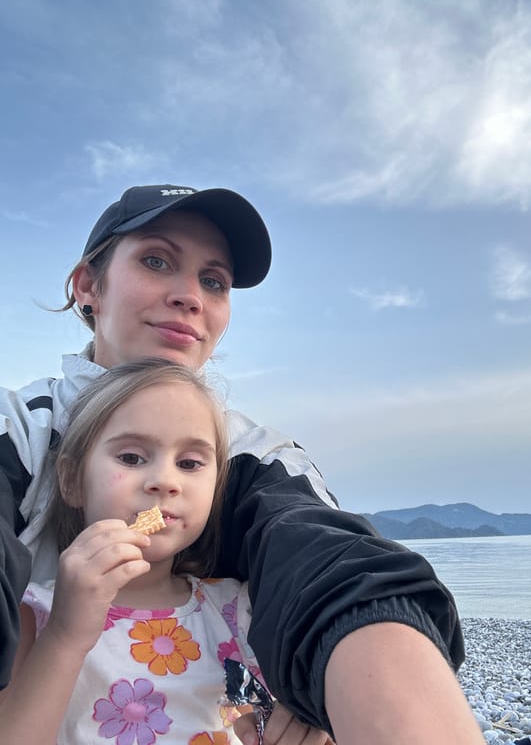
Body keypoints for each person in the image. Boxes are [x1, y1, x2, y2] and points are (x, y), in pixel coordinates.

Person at [0, 183, 484, 744]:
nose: (190, 297)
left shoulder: (260, 457)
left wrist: (324, 683)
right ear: (88, 285)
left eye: (214, 281)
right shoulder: (20, 426)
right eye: (157, 261)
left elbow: (332, 569)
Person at [0, 357, 279, 743]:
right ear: (72, 480)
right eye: (131, 458)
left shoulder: (237, 609)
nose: (165, 481)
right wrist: (66, 634)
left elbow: (268, 717)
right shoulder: (35, 612)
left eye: (189, 463)